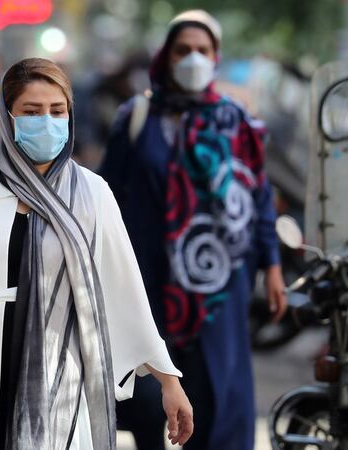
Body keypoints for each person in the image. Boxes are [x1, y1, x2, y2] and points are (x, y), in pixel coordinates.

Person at [0, 57, 194, 450]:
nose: (46, 120)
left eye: (57, 111)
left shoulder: (92, 193)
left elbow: (124, 290)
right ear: (8, 117)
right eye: (32, 111)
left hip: (61, 373)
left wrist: (168, 382)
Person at [98, 10, 287, 450]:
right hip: (149, 279)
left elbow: (259, 198)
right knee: (147, 399)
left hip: (219, 285)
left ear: (216, 58)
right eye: (183, 50)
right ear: (166, 56)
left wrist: (273, 264)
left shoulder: (237, 121)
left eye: (203, 51)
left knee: (217, 397)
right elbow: (104, 197)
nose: (193, 59)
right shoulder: (137, 117)